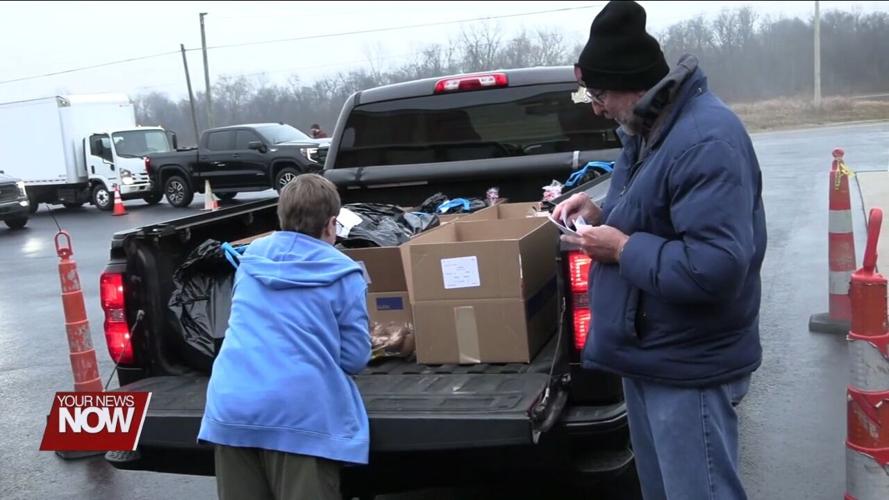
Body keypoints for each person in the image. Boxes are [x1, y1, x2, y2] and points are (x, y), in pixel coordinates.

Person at [553, 2, 766, 499]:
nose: (595, 107)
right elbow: (660, 212)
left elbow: (715, 266)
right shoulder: (648, 131)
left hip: (688, 365)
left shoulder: (705, 139)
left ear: (632, 85)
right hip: (651, 355)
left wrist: (622, 249)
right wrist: (602, 213)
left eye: (599, 94)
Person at [198, 173, 371, 500]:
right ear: (331, 224)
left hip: (231, 406)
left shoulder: (251, 259)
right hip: (300, 416)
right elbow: (354, 358)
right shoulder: (344, 272)